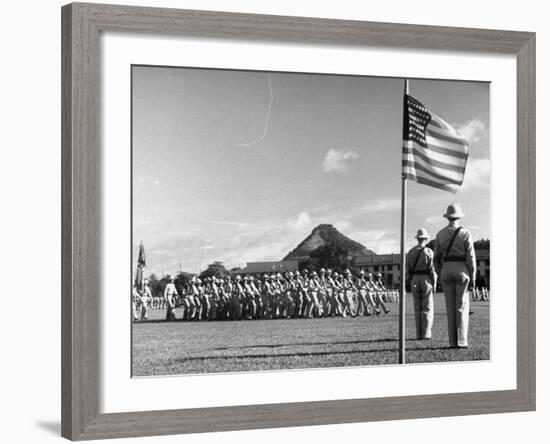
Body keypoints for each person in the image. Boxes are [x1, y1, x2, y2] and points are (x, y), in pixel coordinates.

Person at [434, 204, 476, 348]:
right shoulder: (466, 233)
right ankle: (462, 340)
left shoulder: (440, 234)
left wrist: (440, 272)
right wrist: (473, 275)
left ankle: (452, 342)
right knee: (461, 306)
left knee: (450, 307)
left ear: (447, 217)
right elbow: (471, 257)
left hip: (446, 269)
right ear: (459, 217)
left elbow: (435, 258)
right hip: (462, 270)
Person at [407, 228, 437, 340]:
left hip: (414, 278)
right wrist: (434, 283)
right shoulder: (429, 252)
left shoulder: (410, 252)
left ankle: (418, 334)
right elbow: (432, 269)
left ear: (417, 238)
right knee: (427, 307)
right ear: (425, 239)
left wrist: (411, 280)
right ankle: (426, 333)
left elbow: (408, 269)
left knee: (417, 307)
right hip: (426, 279)